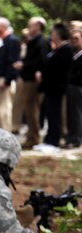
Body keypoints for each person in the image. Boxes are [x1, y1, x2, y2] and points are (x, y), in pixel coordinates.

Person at [36, 23, 74, 152]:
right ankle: (48, 139)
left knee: (55, 115)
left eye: (53, 33)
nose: (51, 35)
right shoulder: (55, 49)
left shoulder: (67, 49)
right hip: (49, 88)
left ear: (58, 34)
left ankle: (54, 141)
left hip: (57, 88)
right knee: (49, 113)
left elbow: (61, 69)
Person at [14, 18, 49, 148]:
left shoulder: (42, 42)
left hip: (34, 81)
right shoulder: (32, 42)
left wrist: (24, 64)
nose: (28, 27)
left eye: (31, 25)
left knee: (32, 109)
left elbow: (42, 61)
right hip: (27, 78)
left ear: (38, 27)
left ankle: (34, 137)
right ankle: (30, 135)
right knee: (28, 110)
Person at [0, 17, 22, 131]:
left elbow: (12, 62)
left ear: (2, 27)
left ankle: (5, 133)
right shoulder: (1, 41)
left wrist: (7, 80)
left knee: (3, 110)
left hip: (4, 79)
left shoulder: (12, 41)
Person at [66, 28, 82, 149]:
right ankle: (72, 136)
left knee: (76, 114)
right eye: (72, 39)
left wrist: (70, 78)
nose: (74, 41)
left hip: (78, 87)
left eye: (76, 38)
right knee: (71, 114)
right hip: (72, 87)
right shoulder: (72, 54)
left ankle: (76, 138)